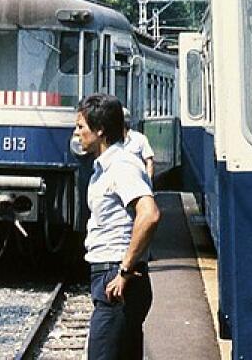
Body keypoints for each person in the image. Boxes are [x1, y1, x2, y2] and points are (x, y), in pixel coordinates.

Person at [74, 94, 161, 360]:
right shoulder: (105, 167)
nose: (76, 134)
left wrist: (125, 269)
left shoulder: (121, 166)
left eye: (81, 127)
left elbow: (149, 214)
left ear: (99, 130)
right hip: (112, 277)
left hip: (118, 279)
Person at [121, 107, 156, 181]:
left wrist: (148, 182)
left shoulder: (139, 138)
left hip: (137, 183)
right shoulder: (111, 140)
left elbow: (149, 161)